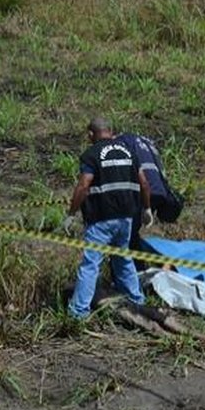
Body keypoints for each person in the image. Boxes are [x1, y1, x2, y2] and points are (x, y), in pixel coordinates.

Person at [66, 117, 151, 319]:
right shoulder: (129, 152)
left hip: (101, 219)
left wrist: (71, 214)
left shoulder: (91, 154)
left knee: (90, 265)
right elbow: (144, 183)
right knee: (123, 259)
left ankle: (78, 312)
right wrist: (147, 208)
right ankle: (137, 301)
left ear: (90, 134)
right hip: (126, 218)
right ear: (111, 132)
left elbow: (84, 185)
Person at [117, 132, 184, 257]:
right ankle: (135, 262)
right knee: (132, 231)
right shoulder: (147, 141)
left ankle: (133, 265)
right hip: (159, 190)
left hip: (144, 190)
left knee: (129, 234)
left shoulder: (122, 141)